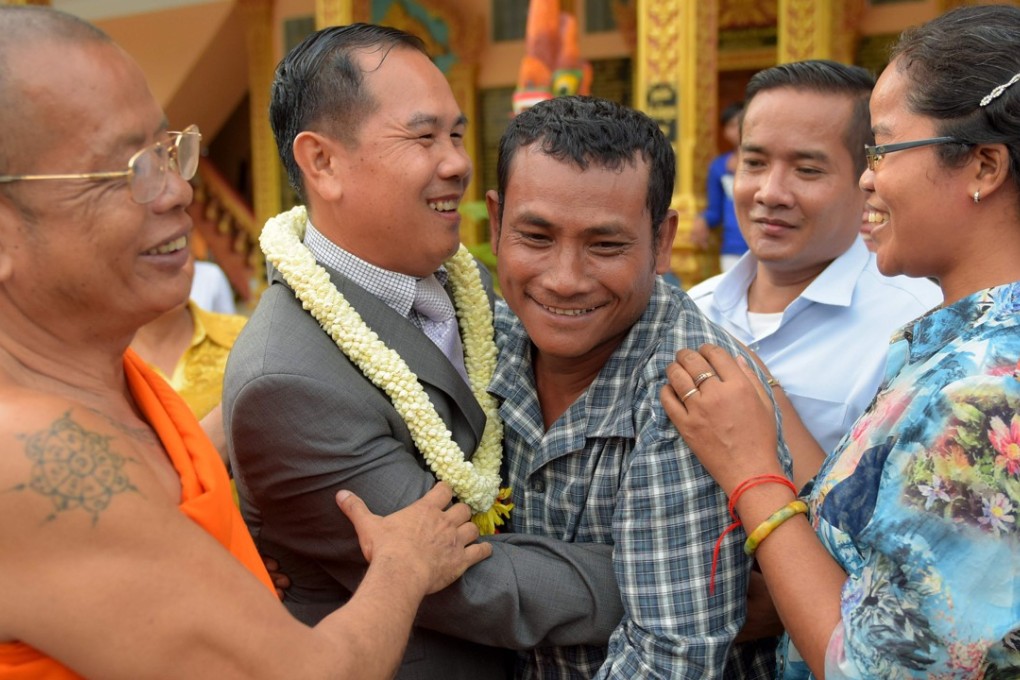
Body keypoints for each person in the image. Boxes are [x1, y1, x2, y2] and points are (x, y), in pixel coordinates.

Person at [0, 7, 490, 679]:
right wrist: (403, 566)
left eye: (171, 151)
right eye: (129, 171)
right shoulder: (31, 458)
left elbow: (172, 481)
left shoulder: (112, 386)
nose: (178, 191)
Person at [225, 24, 625, 680]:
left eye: (457, 134)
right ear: (322, 162)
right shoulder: (291, 380)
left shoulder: (465, 287)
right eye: (423, 137)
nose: (458, 163)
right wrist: (682, 581)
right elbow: (464, 578)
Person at [664, 5, 1020, 678]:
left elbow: (874, 665)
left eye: (882, 149)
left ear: (983, 166)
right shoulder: (952, 347)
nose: (868, 178)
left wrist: (751, 471)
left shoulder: (988, 393)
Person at [486, 95, 789, 678]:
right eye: (536, 236)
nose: (565, 279)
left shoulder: (688, 391)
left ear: (663, 241)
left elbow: (669, 657)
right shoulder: (486, 335)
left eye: (605, 245)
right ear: (496, 225)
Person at [686, 60, 941, 472]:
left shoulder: (916, 327)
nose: (770, 193)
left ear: (869, 180)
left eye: (807, 170)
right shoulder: (694, 309)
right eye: (754, 163)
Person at [132, 254, 248, 462]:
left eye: (176, 247)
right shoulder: (96, 367)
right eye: (151, 252)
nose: (169, 264)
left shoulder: (248, 339)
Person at [691, 101, 747, 272]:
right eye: (730, 125)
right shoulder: (718, 166)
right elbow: (715, 212)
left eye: (740, 124)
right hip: (732, 248)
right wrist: (702, 220)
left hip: (766, 246)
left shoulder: (769, 163)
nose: (736, 130)